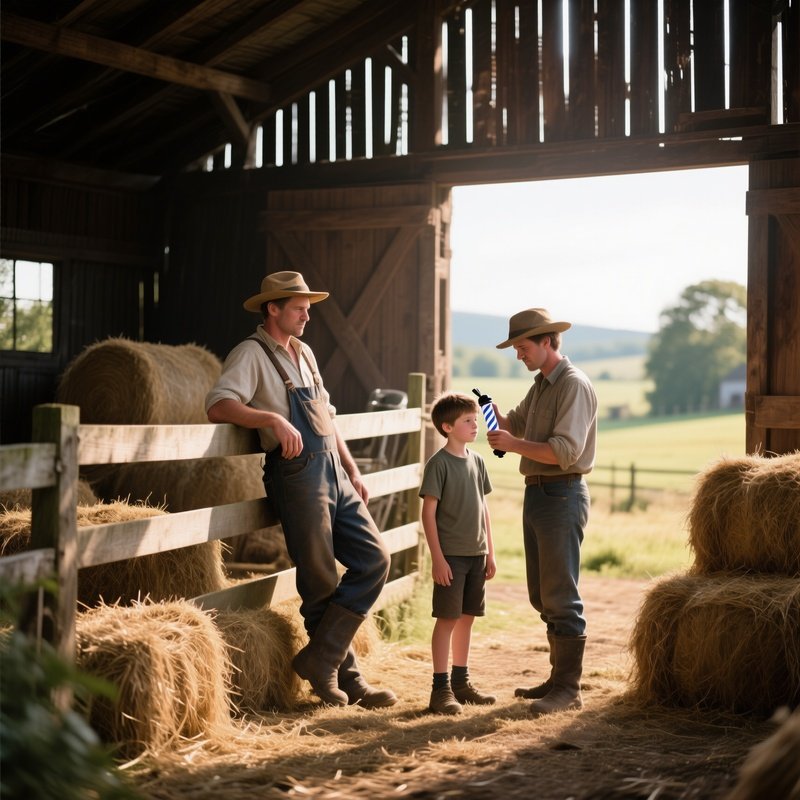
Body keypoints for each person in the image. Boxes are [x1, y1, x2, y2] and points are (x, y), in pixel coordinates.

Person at [205, 270, 396, 708]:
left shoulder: (305, 352)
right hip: (295, 473)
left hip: (333, 470)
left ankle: (320, 658)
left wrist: (351, 468)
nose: (308, 313)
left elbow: (326, 414)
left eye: (308, 305)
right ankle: (346, 679)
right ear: (273, 308)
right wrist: (270, 419)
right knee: (320, 577)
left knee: (375, 560)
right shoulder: (250, 353)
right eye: (298, 306)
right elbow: (218, 404)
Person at [486, 308, 597, 716]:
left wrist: (512, 445)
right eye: (516, 347)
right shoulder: (541, 386)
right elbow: (516, 424)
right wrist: (490, 413)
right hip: (539, 494)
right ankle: (557, 679)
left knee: (561, 595)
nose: (519, 354)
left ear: (547, 341)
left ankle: (569, 689)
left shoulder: (573, 385)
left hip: (562, 494)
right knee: (541, 593)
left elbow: (565, 451)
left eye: (523, 346)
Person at [419, 391, 497, 715]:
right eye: (468, 420)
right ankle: (440, 690)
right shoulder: (438, 465)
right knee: (447, 619)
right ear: (448, 427)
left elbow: (484, 508)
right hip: (450, 557)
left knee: (467, 619)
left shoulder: (477, 461)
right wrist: (437, 558)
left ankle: (461, 683)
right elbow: (428, 513)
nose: (474, 425)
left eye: (476, 419)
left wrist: (490, 552)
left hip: (476, 554)